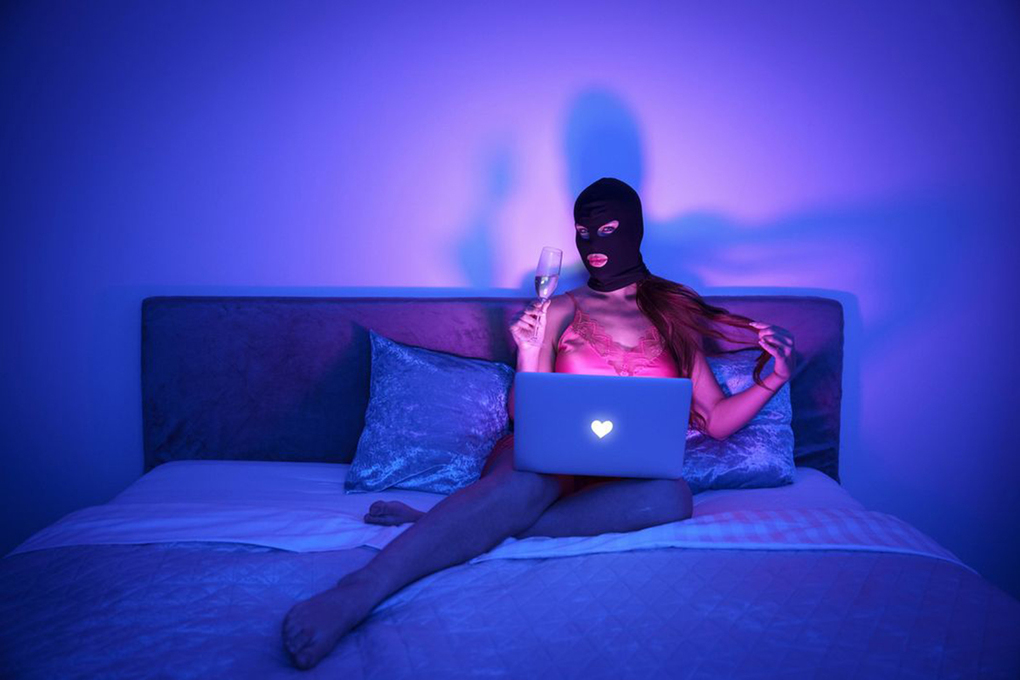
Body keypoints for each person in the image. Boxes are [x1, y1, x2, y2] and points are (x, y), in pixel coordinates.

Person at [281, 177, 796, 670]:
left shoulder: (672, 316)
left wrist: (774, 378)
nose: (593, 243)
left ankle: (443, 524)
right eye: (583, 231)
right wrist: (529, 351)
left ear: (634, 229)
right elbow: (521, 414)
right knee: (527, 481)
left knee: (672, 498)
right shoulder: (559, 309)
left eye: (607, 229)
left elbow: (715, 420)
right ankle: (357, 592)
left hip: (626, 474)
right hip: (546, 459)